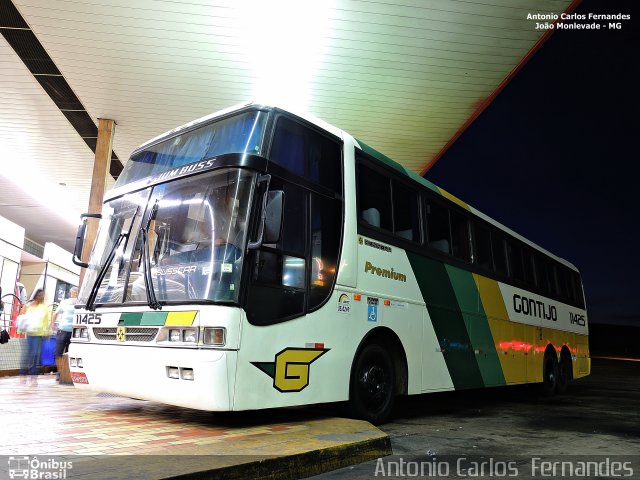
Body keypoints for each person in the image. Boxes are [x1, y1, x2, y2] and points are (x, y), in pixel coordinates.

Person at [19, 289, 51, 385]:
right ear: (36, 295)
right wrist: (20, 329)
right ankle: (23, 375)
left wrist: (47, 332)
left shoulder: (44, 307)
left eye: (43, 295)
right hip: (29, 333)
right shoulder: (29, 305)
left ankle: (33, 377)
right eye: (40, 295)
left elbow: (46, 321)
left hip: (38, 334)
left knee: (35, 355)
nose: (42, 297)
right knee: (27, 354)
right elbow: (23, 317)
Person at [52, 287, 78, 382]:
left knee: (70, 353)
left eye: (76, 292)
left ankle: (67, 373)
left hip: (74, 331)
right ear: (70, 293)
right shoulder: (64, 302)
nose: (74, 293)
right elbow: (55, 313)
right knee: (58, 352)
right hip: (62, 330)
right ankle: (59, 372)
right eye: (73, 292)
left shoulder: (80, 302)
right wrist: (52, 325)